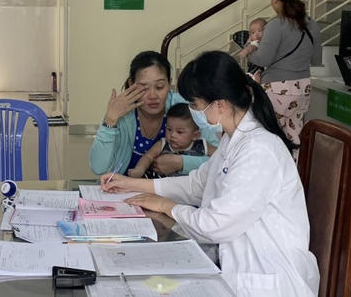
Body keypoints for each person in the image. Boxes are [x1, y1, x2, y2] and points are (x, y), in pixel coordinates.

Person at [101, 51, 319, 296]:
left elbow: (216, 224)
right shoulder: (234, 139)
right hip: (234, 264)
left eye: (195, 105)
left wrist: (166, 206)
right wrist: (131, 184)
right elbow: (198, 185)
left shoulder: (259, 150)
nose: (193, 111)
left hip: (266, 277)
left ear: (219, 105)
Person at [89, 51, 220, 177]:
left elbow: (220, 159)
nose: (153, 96)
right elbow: (99, 168)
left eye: (159, 87)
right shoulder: (121, 112)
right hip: (125, 188)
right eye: (144, 88)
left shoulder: (187, 109)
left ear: (169, 83)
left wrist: (181, 163)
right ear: (131, 84)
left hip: (175, 190)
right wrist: (110, 120)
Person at [241, 0, 321, 154]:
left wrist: (249, 49)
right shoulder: (312, 25)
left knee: (267, 135)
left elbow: (262, 60)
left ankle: (269, 169)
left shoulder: (275, 25)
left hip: (278, 90)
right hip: (303, 89)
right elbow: (316, 59)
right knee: (294, 137)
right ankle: (292, 169)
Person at [128, 103, 215, 179]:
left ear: (195, 135)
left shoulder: (202, 145)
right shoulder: (163, 144)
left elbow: (220, 157)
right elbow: (148, 157)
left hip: (189, 188)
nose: (172, 135)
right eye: (169, 129)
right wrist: (140, 169)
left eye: (179, 132)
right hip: (160, 185)